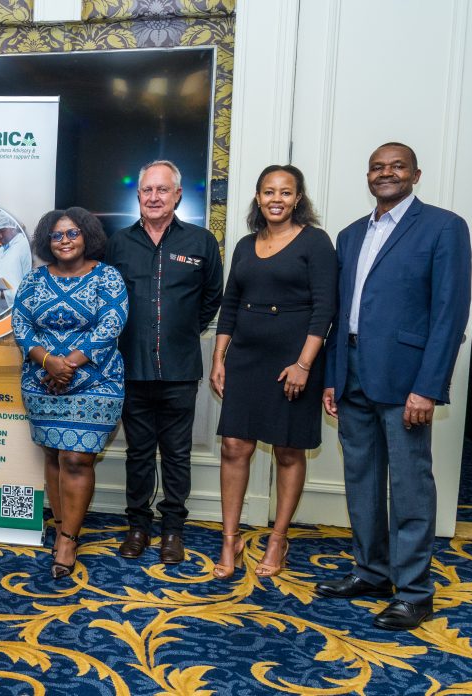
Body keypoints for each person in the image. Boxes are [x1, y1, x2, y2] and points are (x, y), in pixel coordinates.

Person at [316, 143, 471, 630]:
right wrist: (332, 377)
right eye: (378, 167)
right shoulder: (349, 234)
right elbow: (339, 315)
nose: (386, 173)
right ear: (368, 176)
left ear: (416, 174)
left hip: (407, 379)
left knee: (409, 487)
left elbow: (450, 314)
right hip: (352, 372)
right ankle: (371, 572)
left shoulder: (444, 227)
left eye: (397, 166)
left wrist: (429, 386)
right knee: (360, 482)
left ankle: (414, 592)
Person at [209, 165, 337, 579]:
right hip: (246, 357)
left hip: (293, 360)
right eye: (268, 191)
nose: (276, 199)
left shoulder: (315, 243)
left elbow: (325, 310)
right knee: (234, 446)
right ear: (258, 197)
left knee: (287, 449)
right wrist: (218, 358)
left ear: (298, 198)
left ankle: (278, 538)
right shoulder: (246, 245)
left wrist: (304, 364)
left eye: (285, 192)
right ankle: (231, 539)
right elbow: (230, 304)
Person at [105, 160, 223, 564]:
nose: (154, 197)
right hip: (132, 367)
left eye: (162, 190)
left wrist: (183, 329)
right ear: (138, 196)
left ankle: (173, 530)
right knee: (138, 454)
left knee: (176, 453)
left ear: (177, 196)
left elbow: (212, 297)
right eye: (147, 191)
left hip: (179, 367)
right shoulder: (117, 243)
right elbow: (107, 301)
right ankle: (137, 526)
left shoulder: (201, 242)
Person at [12, 207, 128, 579]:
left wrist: (69, 364)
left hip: (97, 381)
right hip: (43, 382)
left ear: (86, 236)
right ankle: (62, 521)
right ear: (47, 242)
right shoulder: (33, 280)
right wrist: (49, 362)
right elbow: (20, 324)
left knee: (77, 458)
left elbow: (112, 323)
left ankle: (67, 538)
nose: (64, 241)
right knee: (54, 452)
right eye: (57, 235)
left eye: (72, 233)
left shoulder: (108, 276)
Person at [0, 211, 32, 304]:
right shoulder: (0, 251)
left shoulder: (25, 246)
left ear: (13, 228)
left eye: (2, 231)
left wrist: (2, 295)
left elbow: (30, 288)